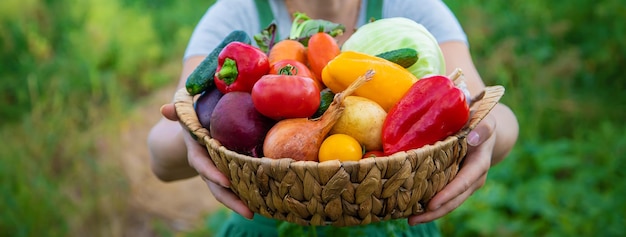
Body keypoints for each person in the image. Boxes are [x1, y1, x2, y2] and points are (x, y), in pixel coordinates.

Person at [148, 0, 519, 236]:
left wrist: (487, 133)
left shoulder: (416, 8)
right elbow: (161, 156)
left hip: (395, 225)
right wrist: (192, 131)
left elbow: (488, 109)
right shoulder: (235, 14)